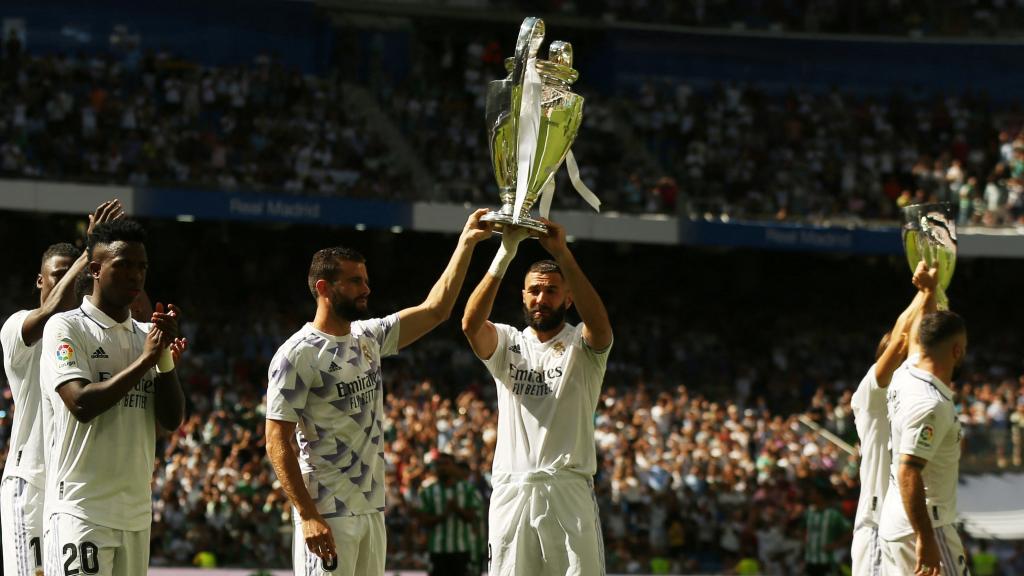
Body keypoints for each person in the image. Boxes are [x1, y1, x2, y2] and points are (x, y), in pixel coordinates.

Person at [265, 209, 492, 576]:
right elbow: (276, 440)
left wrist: (466, 243)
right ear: (324, 288)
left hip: (371, 510)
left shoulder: (368, 336)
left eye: (365, 279)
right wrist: (307, 515)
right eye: (355, 281)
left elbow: (436, 310)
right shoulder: (298, 353)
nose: (366, 289)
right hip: (329, 513)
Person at [461, 218, 613, 576]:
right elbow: (470, 324)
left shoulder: (582, 345)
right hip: (512, 490)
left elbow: (602, 325)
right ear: (523, 295)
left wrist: (561, 252)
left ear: (568, 297)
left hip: (567, 490)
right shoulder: (508, 342)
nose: (541, 298)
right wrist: (504, 253)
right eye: (534, 291)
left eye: (551, 291)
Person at [39, 219, 187, 576]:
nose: (135, 276)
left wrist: (164, 358)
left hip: (135, 512)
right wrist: (145, 360)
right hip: (81, 510)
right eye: (123, 265)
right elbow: (81, 404)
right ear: (95, 269)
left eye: (141, 267)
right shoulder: (67, 327)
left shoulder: (145, 335)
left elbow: (170, 420)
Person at [0, 199, 122, 576]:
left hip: (67, 487)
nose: (65, 280)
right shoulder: (18, 326)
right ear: (40, 280)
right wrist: (88, 253)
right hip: (31, 482)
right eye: (57, 274)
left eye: (75, 273)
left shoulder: (80, 334)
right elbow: (51, 310)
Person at [851, 261, 938, 576]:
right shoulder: (871, 396)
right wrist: (926, 292)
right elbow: (903, 339)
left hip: (909, 526)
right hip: (877, 530)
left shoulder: (917, 398)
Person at [880, 310, 970, 576]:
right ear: (957, 350)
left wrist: (928, 290)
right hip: (925, 527)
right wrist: (926, 537)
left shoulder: (905, 372)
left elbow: (920, 331)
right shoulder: (932, 404)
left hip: (896, 523)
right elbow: (908, 471)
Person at [416, 453, 484, 576]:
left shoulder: (467, 489)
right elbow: (423, 520)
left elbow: (472, 517)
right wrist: (444, 515)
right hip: (437, 550)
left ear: (454, 466)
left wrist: (456, 508)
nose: (442, 467)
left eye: (446, 464)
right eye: (438, 464)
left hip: (461, 549)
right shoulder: (428, 492)